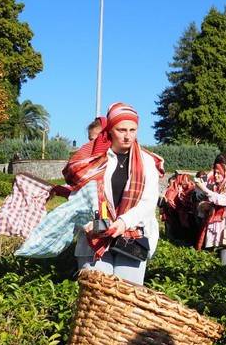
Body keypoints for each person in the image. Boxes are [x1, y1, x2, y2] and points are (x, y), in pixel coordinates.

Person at [63, 102, 164, 285]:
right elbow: (79, 196)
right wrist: (88, 222)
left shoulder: (147, 162)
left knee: (127, 298)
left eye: (132, 130)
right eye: (121, 130)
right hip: (95, 236)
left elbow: (148, 202)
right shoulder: (96, 159)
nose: (127, 136)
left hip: (132, 236)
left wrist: (123, 222)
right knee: (97, 294)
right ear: (110, 130)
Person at [194, 154, 226, 266]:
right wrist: (203, 206)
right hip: (212, 232)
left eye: (218, 172)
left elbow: (222, 200)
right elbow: (207, 202)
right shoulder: (215, 186)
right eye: (215, 172)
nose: (215, 175)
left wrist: (205, 189)